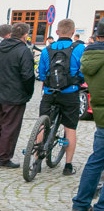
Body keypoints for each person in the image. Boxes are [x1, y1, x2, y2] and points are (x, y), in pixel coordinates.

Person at [38, 19, 85, 175]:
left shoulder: (47, 50)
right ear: (73, 32)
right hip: (69, 93)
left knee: (42, 124)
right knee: (70, 128)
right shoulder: (79, 49)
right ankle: (68, 166)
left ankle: (37, 159)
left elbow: (42, 72)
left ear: (57, 32)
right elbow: (83, 71)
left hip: (50, 93)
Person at [71, 19, 104, 211]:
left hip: (100, 114)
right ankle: (101, 210)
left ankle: (81, 204)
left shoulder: (89, 54)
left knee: (95, 161)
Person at [0, 22, 35, 168]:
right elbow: (28, 76)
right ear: (25, 35)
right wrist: (28, 92)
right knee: (10, 127)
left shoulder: (0, 49)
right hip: (15, 95)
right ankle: (3, 158)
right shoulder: (23, 51)